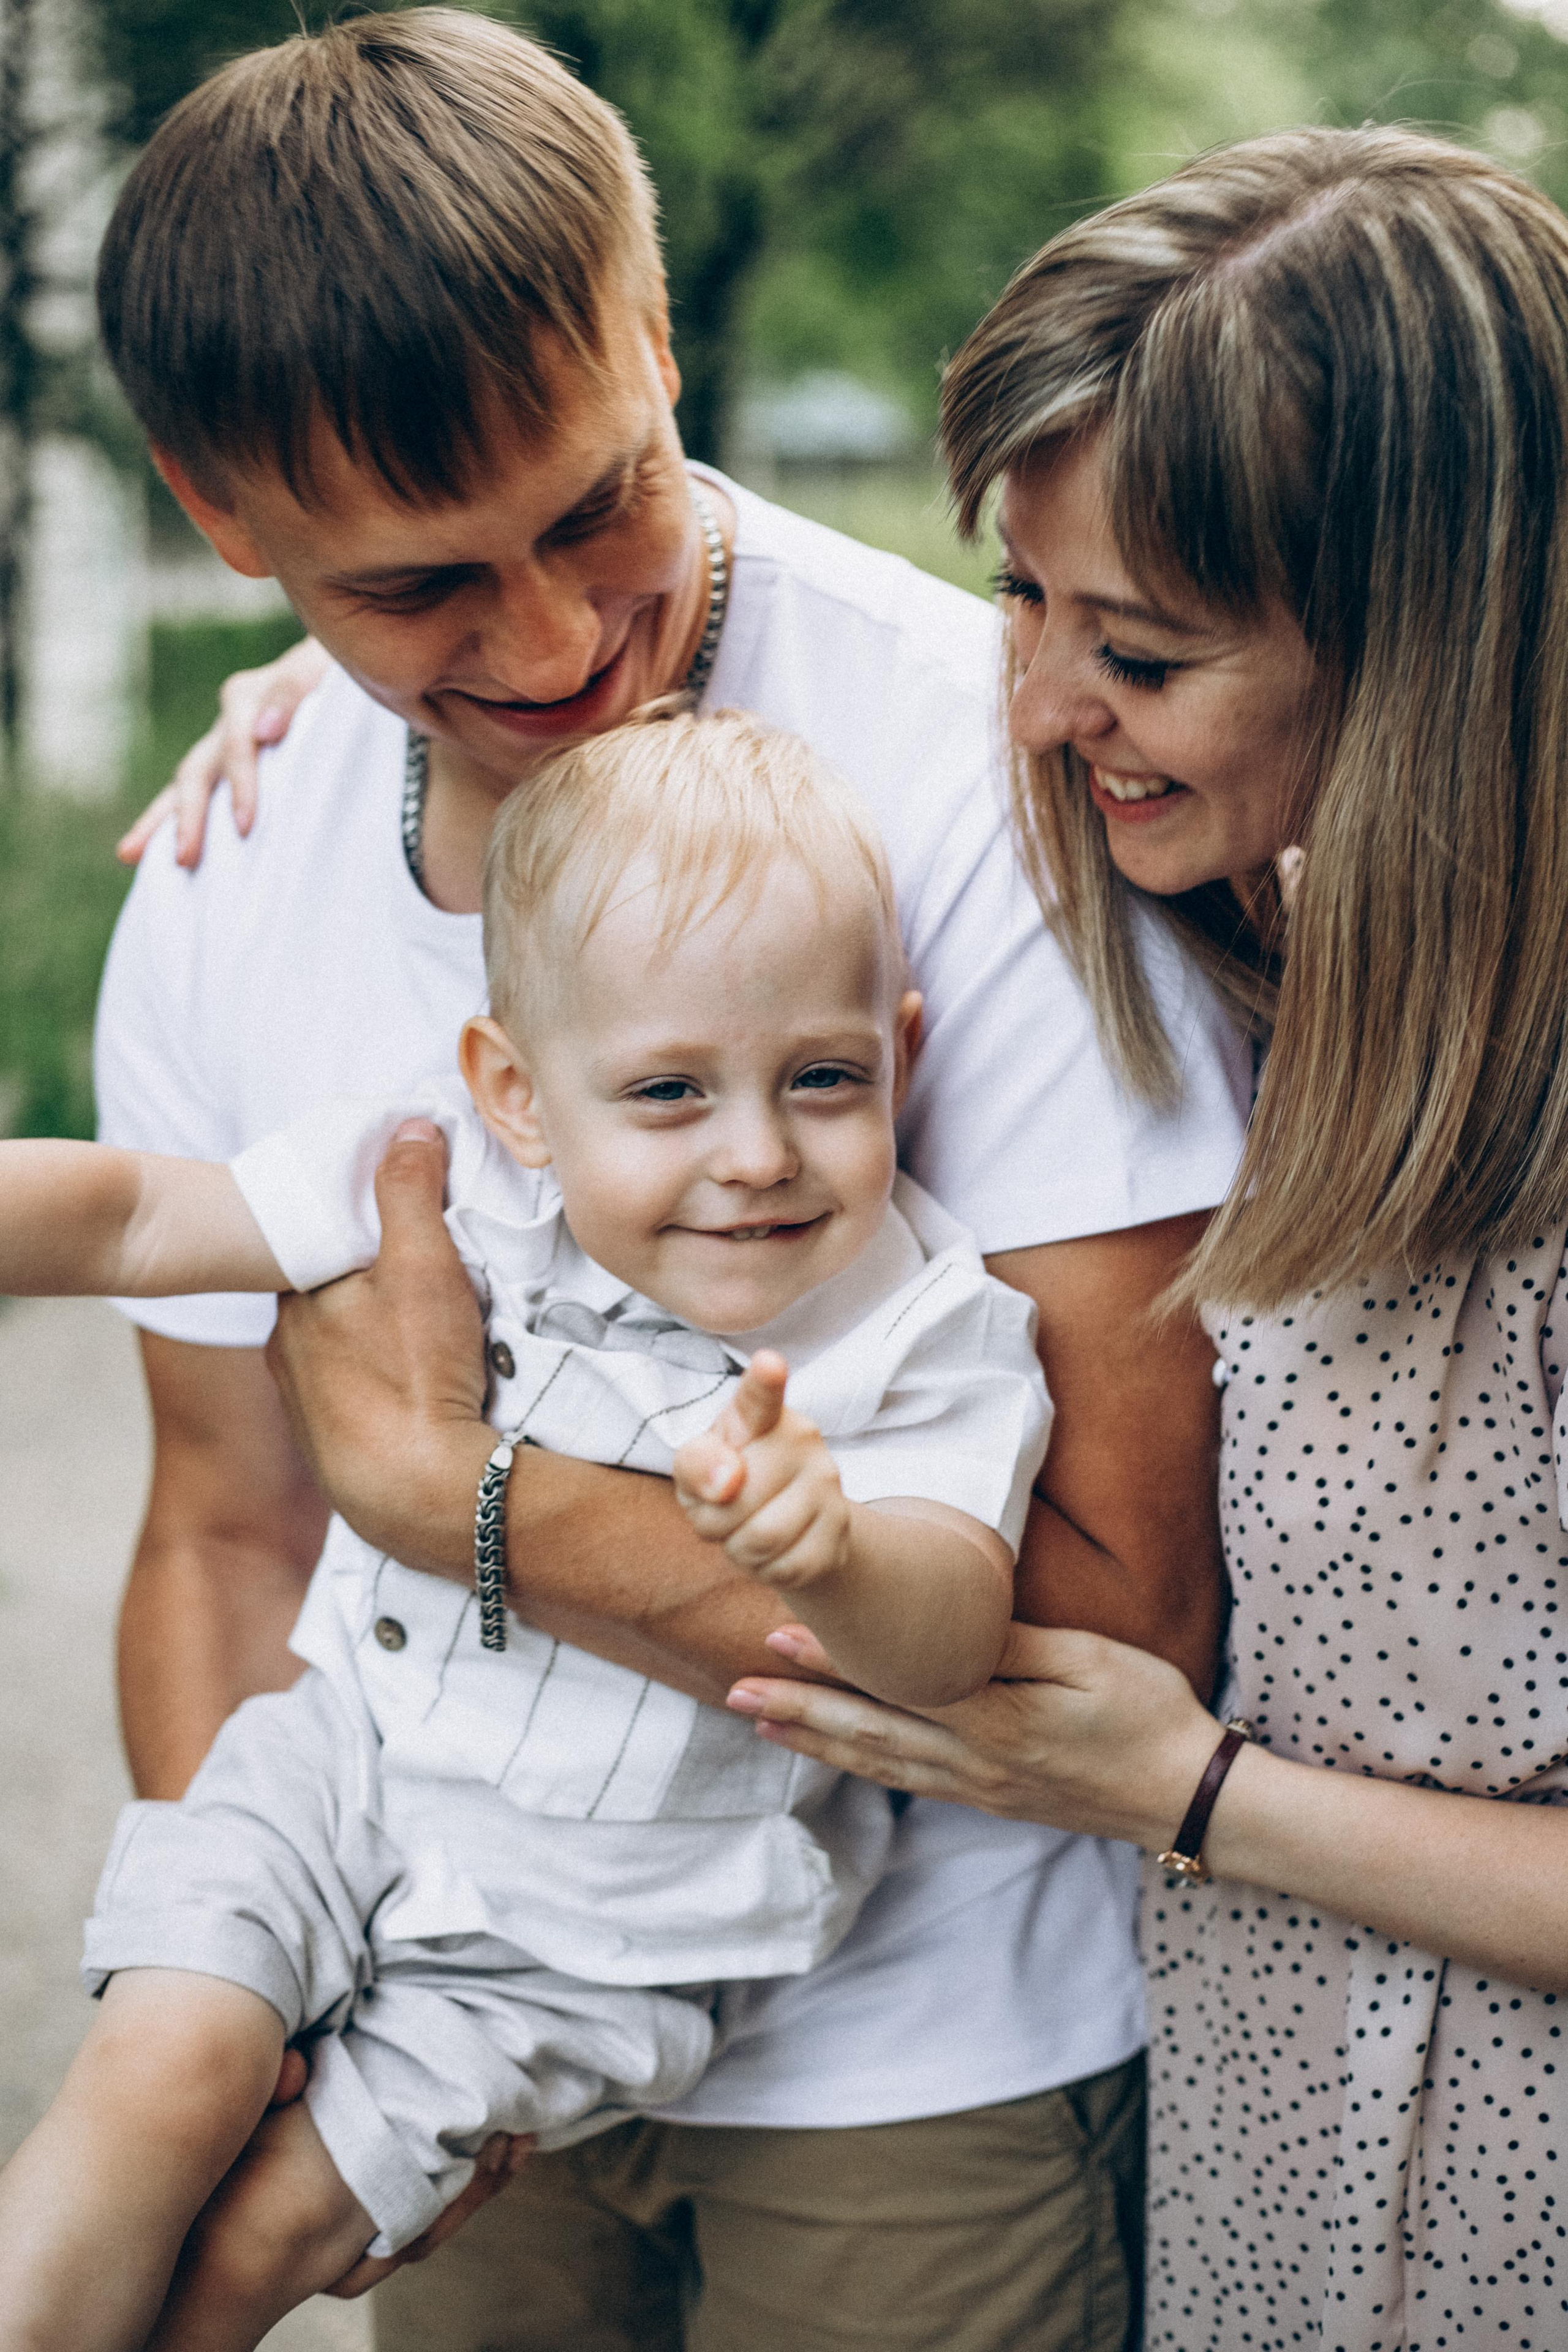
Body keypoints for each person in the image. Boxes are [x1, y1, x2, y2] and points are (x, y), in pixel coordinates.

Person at [92, 13, 1249, 2346]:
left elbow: (1129, 1618)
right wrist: (323, 2020)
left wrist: (469, 1500)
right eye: (419, 589)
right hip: (457, 2034)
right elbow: (227, 1530)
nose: (550, 643)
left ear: (656, 339)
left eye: (597, 503)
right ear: (228, 524)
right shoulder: (225, 878)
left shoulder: (995, 785)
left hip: (925, 2080)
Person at [731, 124, 1568, 2352]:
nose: (1032, 705)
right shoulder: (1243, 941)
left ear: (1433, 642)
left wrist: (1187, 1792)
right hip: (1263, 2206)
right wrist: (337, 718)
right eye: (1023, 601)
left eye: (1144, 650)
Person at [0, 708, 1050, 2352]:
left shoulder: (923, 1334)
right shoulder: (442, 1181)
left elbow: (953, 1642)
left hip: (602, 1937)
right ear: (517, 1093)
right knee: (164, 2067)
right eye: (669, 1091)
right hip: (341, 1769)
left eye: (826, 1079)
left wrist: (830, 1549)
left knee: (263, 2235)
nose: (759, 1154)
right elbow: (138, 1212)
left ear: (902, 1052)